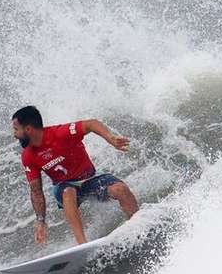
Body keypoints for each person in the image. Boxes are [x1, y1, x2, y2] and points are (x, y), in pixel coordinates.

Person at [11, 105, 139, 245]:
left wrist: (111, 138)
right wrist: (41, 221)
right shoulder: (28, 156)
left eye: (16, 129)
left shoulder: (60, 133)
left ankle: (137, 228)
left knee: (120, 189)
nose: (14, 134)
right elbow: (36, 191)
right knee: (68, 191)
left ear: (28, 129)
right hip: (64, 186)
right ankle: (82, 244)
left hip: (90, 178)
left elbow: (91, 124)